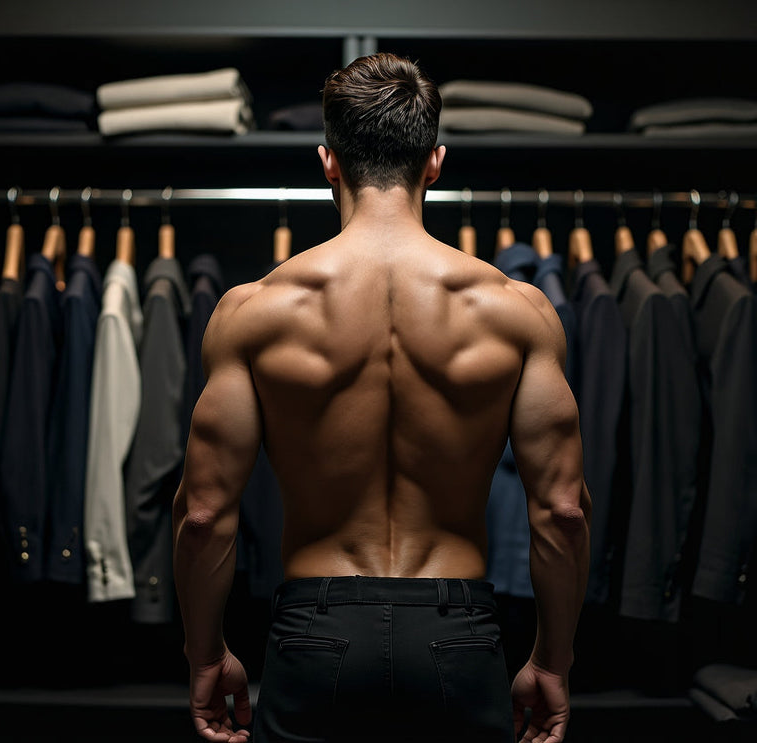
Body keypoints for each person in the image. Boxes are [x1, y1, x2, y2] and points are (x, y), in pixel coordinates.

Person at [172, 52, 590, 743]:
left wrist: (204, 653)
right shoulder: (517, 312)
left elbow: (205, 513)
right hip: (458, 632)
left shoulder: (255, 312)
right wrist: (553, 660)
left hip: (315, 628)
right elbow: (563, 511)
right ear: (435, 160)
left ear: (328, 160)